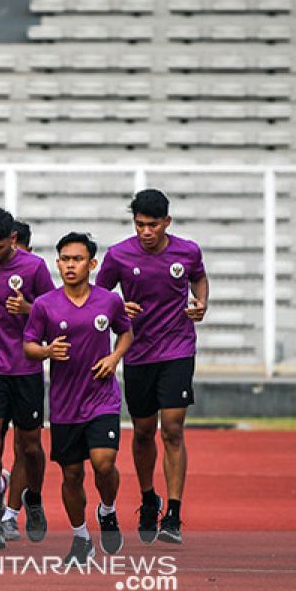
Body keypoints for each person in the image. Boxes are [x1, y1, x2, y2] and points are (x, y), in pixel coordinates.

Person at [95, 189, 207, 545]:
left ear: (167, 223)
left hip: (177, 348)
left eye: (153, 225)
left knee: (172, 428)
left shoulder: (187, 251)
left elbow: (199, 279)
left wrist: (201, 303)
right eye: (140, 224)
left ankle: (173, 513)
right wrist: (117, 306)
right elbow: (97, 295)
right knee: (143, 431)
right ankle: (148, 497)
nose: (146, 231)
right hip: (138, 352)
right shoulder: (119, 255)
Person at [24, 232, 133, 567]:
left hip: (102, 399)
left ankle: (108, 510)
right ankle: (81, 537)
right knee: (71, 475)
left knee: (103, 463)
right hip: (64, 405)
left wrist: (114, 358)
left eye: (78, 259)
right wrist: (46, 351)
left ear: (92, 263)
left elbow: (126, 332)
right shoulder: (45, 305)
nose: (71, 265)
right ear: (58, 263)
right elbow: (29, 346)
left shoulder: (108, 301)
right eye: (65, 259)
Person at [0, 207, 53, 549]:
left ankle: (33, 498)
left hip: (25, 370)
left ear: (13, 239)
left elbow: (55, 310)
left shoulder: (34, 268)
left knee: (29, 447)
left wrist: (30, 310)